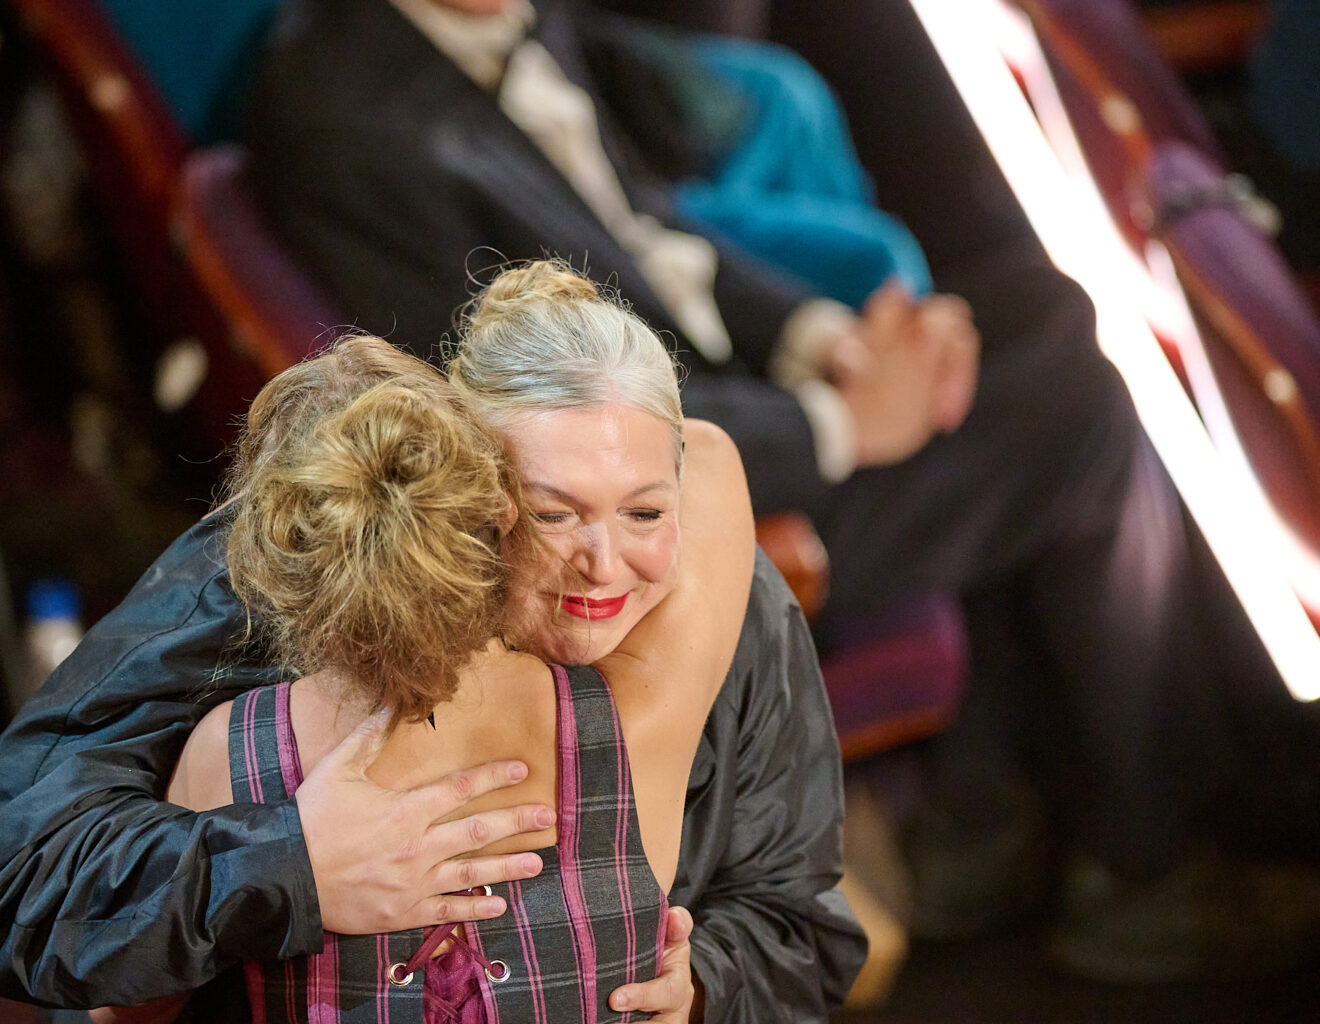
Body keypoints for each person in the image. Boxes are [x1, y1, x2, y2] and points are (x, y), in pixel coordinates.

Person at [229, 0, 1320, 980]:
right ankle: (1142, 862)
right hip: (656, 532)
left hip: (711, 406)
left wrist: (830, 339)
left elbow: (649, 231)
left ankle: (990, 828)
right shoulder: (346, 113)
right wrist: (841, 423)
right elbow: (521, 440)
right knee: (1082, 408)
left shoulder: (489, 20)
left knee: (1032, 318)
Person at [0, 263, 865, 1021]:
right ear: (465, 485)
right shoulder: (277, 582)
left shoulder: (726, 603)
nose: (603, 565)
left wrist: (708, 985)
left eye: (645, 510)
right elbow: (7, 893)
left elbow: (805, 926)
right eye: (550, 513)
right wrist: (288, 865)